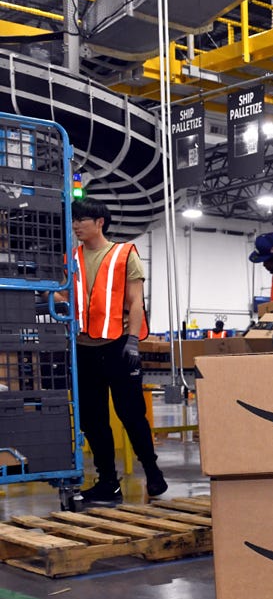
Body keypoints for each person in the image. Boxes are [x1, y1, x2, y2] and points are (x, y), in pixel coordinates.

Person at [68, 197, 166, 505]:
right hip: (83, 348)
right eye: (73, 221)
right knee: (93, 419)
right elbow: (67, 293)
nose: (75, 226)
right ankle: (108, 482)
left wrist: (133, 341)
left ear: (99, 222)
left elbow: (137, 301)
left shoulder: (125, 254)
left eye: (81, 220)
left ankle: (152, 471)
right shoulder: (71, 257)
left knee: (131, 413)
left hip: (118, 346)